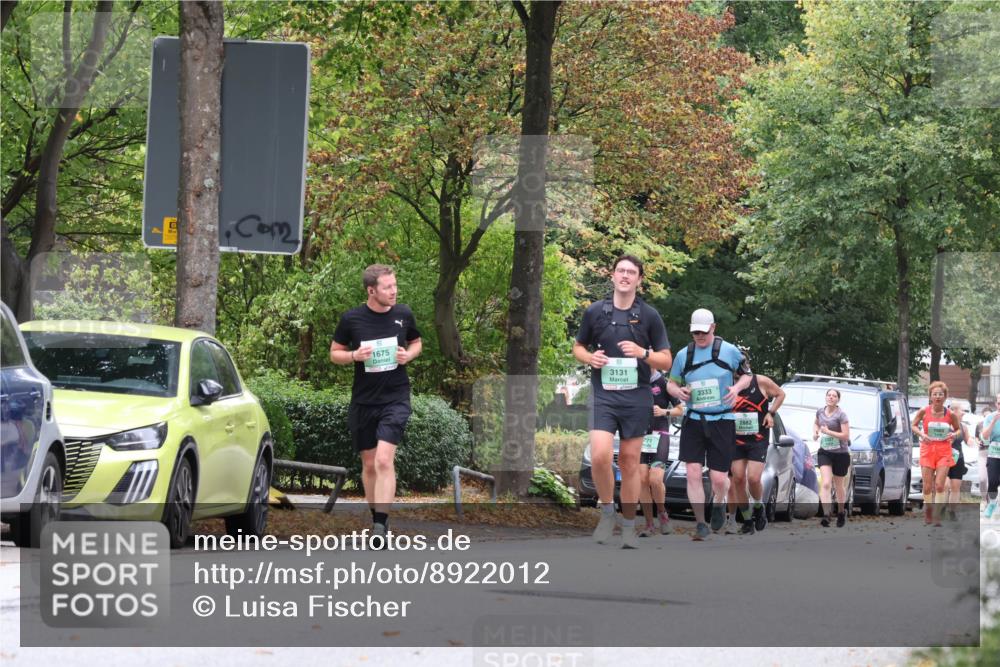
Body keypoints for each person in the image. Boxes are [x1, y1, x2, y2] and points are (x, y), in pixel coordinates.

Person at [573, 255, 672, 549]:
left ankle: (629, 526)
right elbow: (578, 347)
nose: (625, 275)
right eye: (621, 271)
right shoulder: (595, 311)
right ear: (613, 276)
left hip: (636, 396)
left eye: (631, 272)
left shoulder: (650, 316)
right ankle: (607, 512)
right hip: (603, 394)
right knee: (600, 455)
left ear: (639, 279)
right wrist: (590, 358)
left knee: (629, 462)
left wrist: (643, 353)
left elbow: (665, 360)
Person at [330, 265, 422, 546]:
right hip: (363, 401)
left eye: (395, 285)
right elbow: (334, 353)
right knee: (369, 464)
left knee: (383, 459)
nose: (394, 291)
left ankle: (380, 527)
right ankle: (377, 518)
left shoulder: (403, 314)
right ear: (371, 290)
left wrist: (409, 355)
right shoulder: (352, 319)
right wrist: (354, 356)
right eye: (387, 287)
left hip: (395, 398)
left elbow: (417, 342)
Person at [667, 309, 751, 541]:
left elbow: (747, 376)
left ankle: (719, 502)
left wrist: (736, 388)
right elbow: (670, 383)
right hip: (694, 419)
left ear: (713, 328)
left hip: (722, 420)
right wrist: (678, 392)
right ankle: (701, 523)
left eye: (704, 332)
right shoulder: (684, 354)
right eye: (695, 332)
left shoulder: (730, 351)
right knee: (693, 472)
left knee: (719, 478)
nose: (700, 336)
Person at [729, 371, 786, 534]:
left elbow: (781, 394)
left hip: (758, 438)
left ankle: (759, 506)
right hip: (736, 438)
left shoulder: (760, 381)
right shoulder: (726, 381)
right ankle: (747, 520)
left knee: (753, 478)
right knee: (738, 479)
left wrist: (771, 412)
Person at [638, 370, 684, 536]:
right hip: (640, 436)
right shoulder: (634, 380)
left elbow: (680, 409)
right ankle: (649, 524)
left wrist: (664, 411)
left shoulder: (664, 382)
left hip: (660, 434)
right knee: (642, 481)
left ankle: (662, 514)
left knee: (655, 479)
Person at [911, 381, 962, 526]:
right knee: (927, 486)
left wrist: (953, 435)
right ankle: (928, 512)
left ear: (945, 397)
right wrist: (922, 434)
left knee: (940, 485)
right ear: (930, 396)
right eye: (935, 394)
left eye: (940, 394)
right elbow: (913, 425)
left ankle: (937, 515)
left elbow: (958, 429)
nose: (938, 397)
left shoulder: (950, 414)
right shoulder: (924, 411)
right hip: (928, 450)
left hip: (944, 451)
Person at [814, 388, 851, 528]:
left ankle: (841, 511)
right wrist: (815, 433)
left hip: (840, 454)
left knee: (839, 485)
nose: (831, 397)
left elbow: (845, 436)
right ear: (825, 397)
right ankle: (826, 514)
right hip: (825, 452)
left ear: (838, 400)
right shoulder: (820, 412)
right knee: (825, 483)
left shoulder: (841, 415)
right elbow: (816, 423)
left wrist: (829, 432)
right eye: (829, 395)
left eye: (834, 396)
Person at [944, 404, 970, 520]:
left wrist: (973, 441)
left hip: (958, 459)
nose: (963, 413)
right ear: (953, 411)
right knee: (945, 485)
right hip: (944, 459)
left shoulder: (963, 427)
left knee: (955, 487)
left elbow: (968, 440)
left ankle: (952, 512)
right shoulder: (945, 425)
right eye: (962, 410)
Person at [983, 396, 1000, 518]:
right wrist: (994, 421)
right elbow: (985, 436)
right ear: (996, 404)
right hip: (994, 453)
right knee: (993, 481)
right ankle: (992, 503)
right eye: (999, 403)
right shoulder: (990, 417)